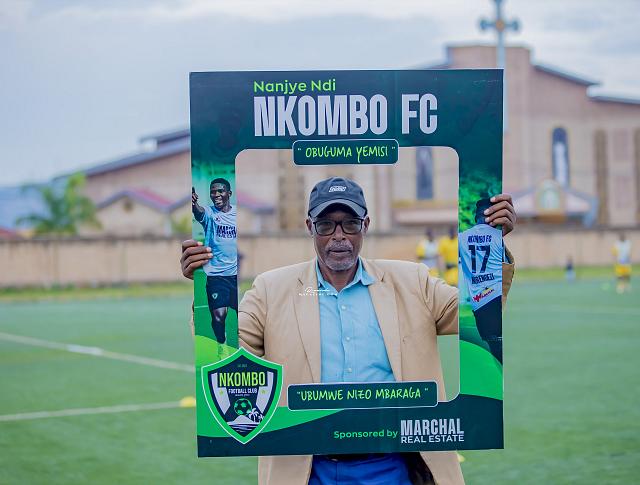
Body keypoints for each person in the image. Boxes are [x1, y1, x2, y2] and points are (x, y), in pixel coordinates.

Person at [181, 176, 517, 485]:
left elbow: (475, 315)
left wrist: (491, 243)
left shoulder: (412, 281)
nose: (338, 236)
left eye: (350, 223)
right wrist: (206, 282)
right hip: (306, 468)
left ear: (365, 225)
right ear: (310, 227)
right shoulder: (272, 289)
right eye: (326, 224)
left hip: (394, 465)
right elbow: (225, 351)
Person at [458, 199, 505, 363]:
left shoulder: (461, 238)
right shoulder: (499, 237)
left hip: (480, 304)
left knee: (494, 351)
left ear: (475, 217)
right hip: (498, 298)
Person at [192, 178, 238, 344]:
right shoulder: (210, 213)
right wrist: (193, 204)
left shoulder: (237, 214)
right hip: (217, 276)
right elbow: (199, 212)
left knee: (246, 315)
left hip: (237, 275)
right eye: (213, 192)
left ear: (229, 193)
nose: (216, 194)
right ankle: (221, 346)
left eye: (220, 191)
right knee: (219, 317)